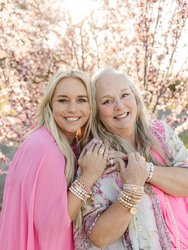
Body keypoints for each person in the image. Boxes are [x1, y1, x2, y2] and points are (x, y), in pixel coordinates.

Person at [74, 68, 188, 249]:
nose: (119, 106)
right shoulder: (98, 156)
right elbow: (99, 236)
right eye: (107, 101)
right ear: (96, 111)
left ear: (135, 96)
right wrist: (132, 188)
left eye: (124, 95)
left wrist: (145, 171)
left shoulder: (160, 133)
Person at [0, 69, 107, 250]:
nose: (72, 109)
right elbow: (51, 229)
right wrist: (88, 177)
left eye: (81, 100)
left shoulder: (52, 143)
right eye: (63, 100)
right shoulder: (46, 149)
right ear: (50, 105)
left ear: (91, 106)